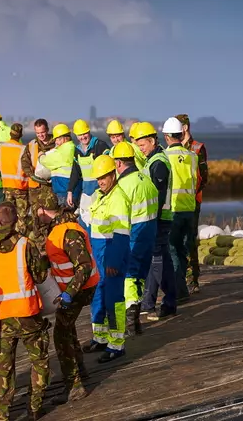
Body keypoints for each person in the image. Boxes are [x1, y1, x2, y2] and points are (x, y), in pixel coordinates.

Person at [0, 202, 51, 420]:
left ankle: (1, 413)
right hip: (27, 314)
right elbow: (40, 277)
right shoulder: (25, 245)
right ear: (17, 220)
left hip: (1, 318)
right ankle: (35, 406)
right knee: (39, 360)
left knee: (3, 366)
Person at [36, 196, 99, 404]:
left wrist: (69, 293)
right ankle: (80, 370)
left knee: (61, 335)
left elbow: (84, 265)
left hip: (81, 288)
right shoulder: (58, 228)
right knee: (67, 326)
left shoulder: (68, 232)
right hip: (75, 288)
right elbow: (61, 258)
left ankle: (75, 386)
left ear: (44, 211)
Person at [81, 155, 131, 363]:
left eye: (104, 177)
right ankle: (100, 337)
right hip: (99, 255)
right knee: (98, 297)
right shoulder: (100, 195)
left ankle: (116, 344)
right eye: (98, 178)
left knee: (114, 300)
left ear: (113, 174)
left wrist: (113, 262)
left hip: (111, 255)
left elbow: (121, 235)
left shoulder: (118, 198)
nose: (101, 181)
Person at [112, 141, 158, 335]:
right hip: (150, 234)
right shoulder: (146, 180)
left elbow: (119, 219)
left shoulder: (122, 186)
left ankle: (130, 323)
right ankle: (135, 320)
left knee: (129, 278)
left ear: (118, 163)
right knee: (139, 277)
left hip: (133, 237)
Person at [134, 122, 177, 320]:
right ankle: (170, 301)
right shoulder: (152, 160)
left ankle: (148, 302)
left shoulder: (158, 163)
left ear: (152, 141)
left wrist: (150, 219)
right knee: (165, 261)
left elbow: (158, 197)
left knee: (154, 259)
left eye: (142, 145)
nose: (140, 149)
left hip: (158, 219)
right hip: (160, 218)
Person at [161, 117, 198, 305]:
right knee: (183, 251)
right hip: (189, 209)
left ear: (167, 136)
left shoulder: (165, 156)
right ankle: (181, 287)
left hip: (173, 210)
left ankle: (179, 291)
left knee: (172, 251)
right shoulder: (193, 156)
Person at [176, 114, 208, 294]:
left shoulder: (197, 148)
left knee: (189, 239)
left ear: (185, 128)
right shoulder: (172, 148)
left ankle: (192, 279)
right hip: (174, 203)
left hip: (192, 202)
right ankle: (179, 278)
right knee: (176, 240)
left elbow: (203, 178)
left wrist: (190, 194)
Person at [21, 118, 57, 246]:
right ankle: (40, 247)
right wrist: (32, 175)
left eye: (42, 132)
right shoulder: (31, 145)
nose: (41, 135)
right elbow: (24, 163)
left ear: (47, 130)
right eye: (38, 133)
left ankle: (54, 245)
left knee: (53, 217)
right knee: (37, 219)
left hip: (52, 187)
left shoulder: (57, 143)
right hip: (36, 188)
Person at [71, 119, 110, 229]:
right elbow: (75, 172)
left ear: (89, 132)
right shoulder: (77, 150)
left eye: (84, 133)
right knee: (84, 222)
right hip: (86, 192)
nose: (83, 137)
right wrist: (70, 191)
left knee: (99, 221)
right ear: (76, 136)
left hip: (100, 191)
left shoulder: (100, 146)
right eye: (80, 135)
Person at [0, 123, 30, 236]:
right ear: (20, 135)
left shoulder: (1, 148)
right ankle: (20, 238)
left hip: (7, 185)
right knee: (22, 215)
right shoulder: (23, 149)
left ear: (10, 134)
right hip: (21, 186)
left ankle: (6, 236)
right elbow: (27, 168)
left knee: (7, 214)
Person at [38, 123, 81, 210]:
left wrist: (40, 156)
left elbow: (46, 161)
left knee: (64, 218)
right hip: (71, 190)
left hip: (65, 191)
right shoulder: (74, 148)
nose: (56, 142)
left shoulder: (63, 151)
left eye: (57, 139)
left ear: (64, 139)